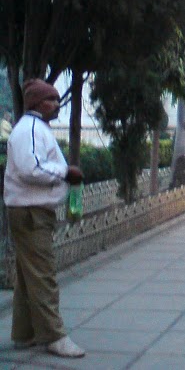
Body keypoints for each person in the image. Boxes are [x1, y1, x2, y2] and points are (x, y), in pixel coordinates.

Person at [4, 79, 85, 358]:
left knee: (28, 276)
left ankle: (24, 333)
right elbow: (31, 168)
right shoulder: (31, 129)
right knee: (43, 274)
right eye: (52, 100)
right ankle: (54, 335)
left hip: (32, 210)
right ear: (38, 103)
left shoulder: (36, 128)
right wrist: (66, 173)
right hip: (30, 212)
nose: (57, 105)